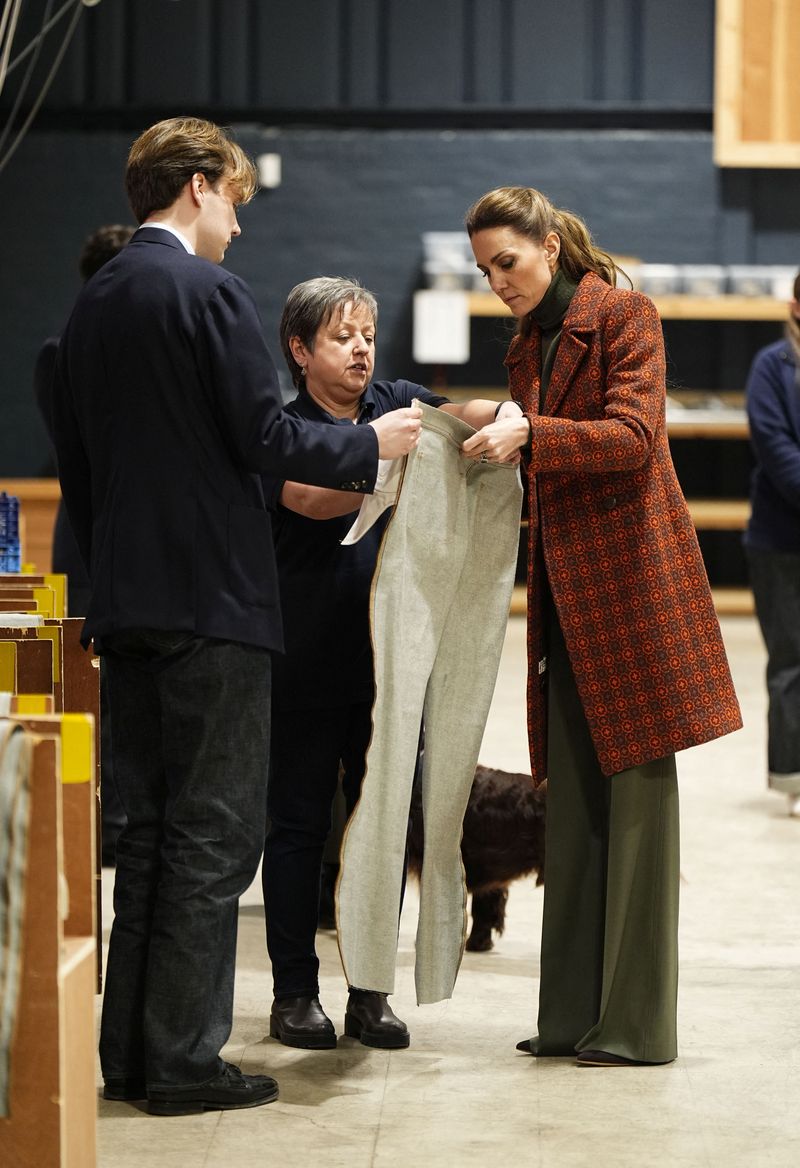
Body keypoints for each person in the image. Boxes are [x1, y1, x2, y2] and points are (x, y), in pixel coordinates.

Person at [50, 117, 422, 1116]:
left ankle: (131, 1055)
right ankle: (184, 1061)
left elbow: (79, 468)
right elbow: (263, 435)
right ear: (200, 186)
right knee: (215, 836)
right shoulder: (205, 290)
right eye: (235, 204)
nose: (238, 228)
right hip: (212, 603)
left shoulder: (94, 302)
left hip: (127, 602)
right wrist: (372, 445)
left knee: (144, 836)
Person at [460, 186, 742, 1066]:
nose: (498, 281)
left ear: (550, 245)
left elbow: (632, 437)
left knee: (638, 814)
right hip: (564, 599)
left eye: (508, 261)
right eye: (485, 270)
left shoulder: (624, 315)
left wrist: (528, 436)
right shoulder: (527, 345)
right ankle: (570, 1018)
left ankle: (636, 1026)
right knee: (572, 806)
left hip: (632, 594)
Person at [262, 275, 519, 1051]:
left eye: (368, 336)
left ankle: (369, 992)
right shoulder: (284, 426)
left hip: (392, 665)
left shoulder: (396, 403)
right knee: (299, 825)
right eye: (342, 337)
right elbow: (307, 498)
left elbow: (462, 416)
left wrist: (510, 416)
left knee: (382, 822)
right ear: (300, 349)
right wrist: (390, 467)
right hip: (307, 654)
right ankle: (293, 993)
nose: (361, 350)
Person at [35, 224, 135, 865]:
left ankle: (123, 819)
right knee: (87, 685)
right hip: (85, 542)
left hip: (131, 541)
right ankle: (98, 821)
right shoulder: (62, 351)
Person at [743, 270, 800, 817]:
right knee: (792, 659)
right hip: (782, 542)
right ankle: (793, 776)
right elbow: (777, 450)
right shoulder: (772, 367)